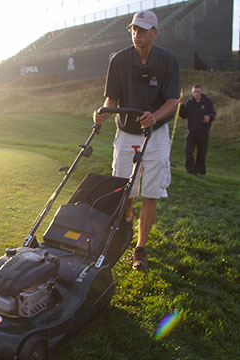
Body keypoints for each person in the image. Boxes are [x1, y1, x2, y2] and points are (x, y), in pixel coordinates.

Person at [93, 10, 180, 270]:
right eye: (133, 29)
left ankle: (140, 247)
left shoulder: (167, 60)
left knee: (150, 191)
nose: (136, 34)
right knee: (123, 189)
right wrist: (103, 114)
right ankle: (126, 222)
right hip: (126, 133)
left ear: (154, 32)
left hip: (156, 135)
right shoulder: (119, 60)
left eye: (142, 30)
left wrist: (154, 116)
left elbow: (173, 100)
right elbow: (112, 99)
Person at [179, 84, 215, 175]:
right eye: (194, 91)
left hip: (203, 132)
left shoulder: (207, 101)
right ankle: (190, 170)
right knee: (188, 151)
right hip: (191, 132)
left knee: (201, 153)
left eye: (197, 91)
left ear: (201, 92)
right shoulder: (189, 102)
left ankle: (200, 170)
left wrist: (209, 117)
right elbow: (183, 115)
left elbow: (213, 113)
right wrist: (181, 105)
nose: (195, 93)